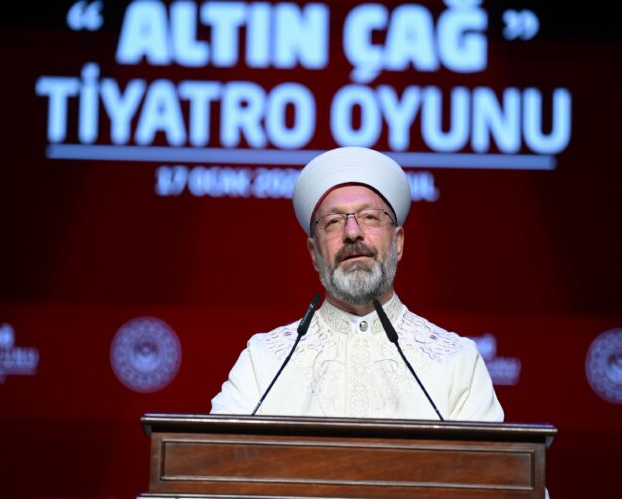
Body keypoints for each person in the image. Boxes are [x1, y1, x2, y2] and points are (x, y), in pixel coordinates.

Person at [210, 147, 503, 421]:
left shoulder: (457, 361)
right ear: (313, 253)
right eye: (334, 222)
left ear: (398, 242)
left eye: (370, 217)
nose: (352, 232)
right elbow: (214, 453)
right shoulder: (264, 361)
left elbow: (488, 459)